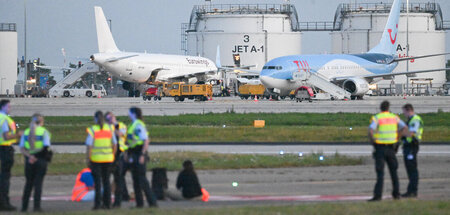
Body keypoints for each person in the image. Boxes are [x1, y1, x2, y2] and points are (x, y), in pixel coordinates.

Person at [368, 100, 406, 201]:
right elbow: (404, 127)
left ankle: (378, 196)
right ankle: (396, 194)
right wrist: (398, 139)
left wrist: (373, 142)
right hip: (391, 148)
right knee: (394, 172)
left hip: (380, 147)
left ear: (380, 108)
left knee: (380, 173)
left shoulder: (377, 118)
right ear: (389, 108)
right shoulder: (394, 117)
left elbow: (371, 130)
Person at [85, 111, 117, 210]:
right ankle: (108, 204)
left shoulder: (93, 130)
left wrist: (88, 158)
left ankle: (97, 204)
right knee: (106, 182)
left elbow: (89, 146)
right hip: (108, 159)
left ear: (95, 119)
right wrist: (112, 155)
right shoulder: (110, 129)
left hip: (96, 160)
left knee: (98, 183)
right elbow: (115, 144)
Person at [127, 107, 157, 208]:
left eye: (130, 113)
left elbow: (146, 140)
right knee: (135, 180)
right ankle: (139, 203)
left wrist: (142, 155)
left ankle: (152, 203)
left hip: (138, 153)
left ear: (134, 114)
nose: (128, 115)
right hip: (133, 153)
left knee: (142, 179)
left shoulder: (138, 125)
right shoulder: (132, 124)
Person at [20, 114, 51, 212]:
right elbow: (45, 147)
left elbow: (22, 148)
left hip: (29, 160)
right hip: (40, 160)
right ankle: (36, 207)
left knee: (28, 184)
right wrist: (37, 157)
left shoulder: (26, 132)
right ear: (41, 121)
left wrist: (30, 156)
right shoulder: (43, 132)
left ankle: (24, 207)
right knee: (38, 184)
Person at [0, 99, 22, 211]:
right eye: (8, 106)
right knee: (5, 177)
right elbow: (6, 136)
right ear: (3, 107)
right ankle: (4, 203)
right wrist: (18, 134)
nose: (10, 108)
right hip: (5, 148)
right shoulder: (3, 119)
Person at [105, 112, 130, 207]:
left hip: (121, 153)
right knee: (119, 176)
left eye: (111, 117)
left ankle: (124, 196)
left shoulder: (120, 125)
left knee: (120, 176)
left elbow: (121, 134)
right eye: (108, 118)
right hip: (111, 154)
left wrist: (113, 127)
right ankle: (124, 195)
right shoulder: (106, 127)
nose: (110, 120)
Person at [401, 104, 423, 198]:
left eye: (404, 112)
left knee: (412, 169)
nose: (404, 114)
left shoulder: (415, 120)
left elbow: (411, 133)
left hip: (412, 147)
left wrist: (402, 131)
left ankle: (413, 191)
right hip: (408, 146)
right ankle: (411, 190)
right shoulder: (410, 120)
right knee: (410, 169)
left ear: (408, 110)